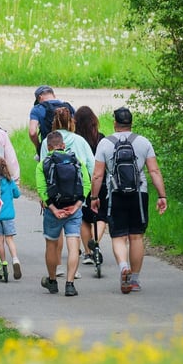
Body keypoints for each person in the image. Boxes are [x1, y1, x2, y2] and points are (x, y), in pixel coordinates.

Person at [90, 107, 167, 294]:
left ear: (115, 123)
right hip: (139, 195)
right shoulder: (143, 142)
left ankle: (124, 266)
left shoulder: (105, 143)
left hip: (115, 194)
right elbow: (154, 171)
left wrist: (94, 197)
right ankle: (134, 280)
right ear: (131, 123)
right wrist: (162, 195)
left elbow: (98, 175)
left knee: (118, 236)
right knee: (136, 236)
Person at [36, 131, 91, 297]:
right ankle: (70, 284)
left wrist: (53, 209)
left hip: (54, 211)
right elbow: (86, 185)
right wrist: (77, 205)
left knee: (51, 245)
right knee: (73, 245)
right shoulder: (77, 161)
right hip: (73, 209)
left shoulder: (42, 165)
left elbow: (42, 190)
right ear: (63, 146)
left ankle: (52, 281)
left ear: (48, 147)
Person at [74, 106, 107, 266]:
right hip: (101, 181)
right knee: (101, 216)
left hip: (81, 182)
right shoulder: (101, 139)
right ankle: (95, 241)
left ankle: (87, 253)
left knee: (83, 218)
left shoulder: (77, 140)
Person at [0, 156, 22, 281]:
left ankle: (3, 263)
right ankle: (15, 259)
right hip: (8, 215)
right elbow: (17, 194)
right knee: (10, 239)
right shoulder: (9, 182)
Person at [28, 85, 75, 158]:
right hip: (70, 147)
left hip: (49, 147)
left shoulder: (37, 109)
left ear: (40, 97)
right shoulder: (68, 107)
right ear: (53, 95)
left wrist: (38, 147)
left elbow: (32, 132)